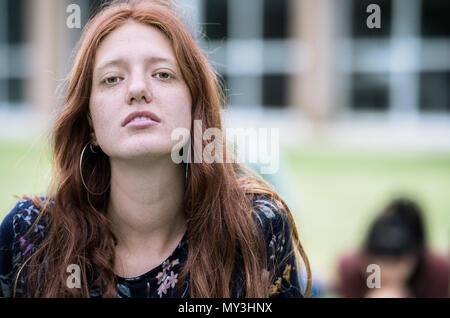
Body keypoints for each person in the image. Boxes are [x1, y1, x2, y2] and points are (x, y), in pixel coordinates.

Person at [0, 0, 311, 298]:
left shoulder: (257, 228)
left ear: (195, 109)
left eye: (162, 74)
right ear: (90, 124)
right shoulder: (28, 235)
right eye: (112, 79)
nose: (137, 90)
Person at [336, 197, 450, 298]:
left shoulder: (438, 273)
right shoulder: (350, 269)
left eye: (396, 263)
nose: (387, 273)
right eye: (379, 262)